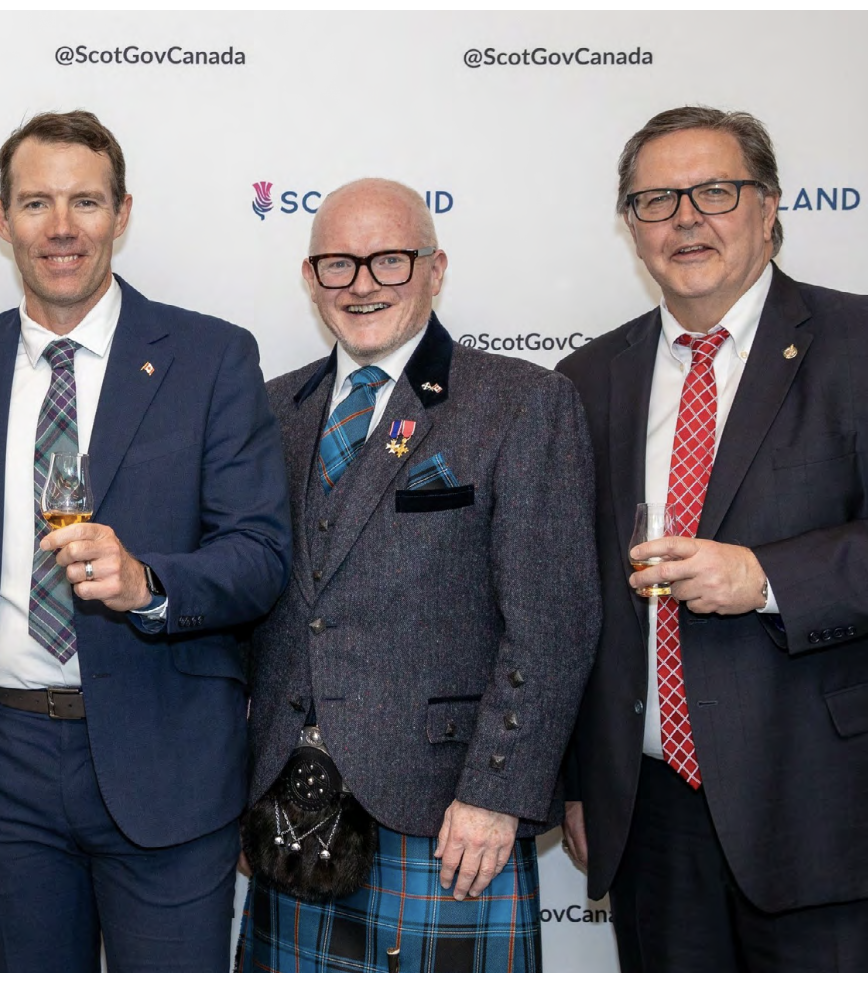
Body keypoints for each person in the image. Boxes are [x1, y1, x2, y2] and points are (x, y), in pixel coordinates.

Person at [0, 109, 291, 972]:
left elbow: (261, 556)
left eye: (85, 202)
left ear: (121, 214)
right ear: (2, 221)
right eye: (36, 203)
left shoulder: (211, 357)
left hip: (166, 761)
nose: (62, 227)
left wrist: (149, 582)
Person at [556, 106, 868, 972]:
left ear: (770, 205)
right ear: (629, 227)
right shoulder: (586, 378)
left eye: (714, 191)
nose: (685, 219)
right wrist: (574, 780)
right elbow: (565, 597)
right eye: (655, 201)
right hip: (650, 814)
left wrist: (766, 577)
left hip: (824, 802)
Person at [237, 179, 599, 973]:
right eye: (338, 263)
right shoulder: (268, 412)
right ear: (309, 278)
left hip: (447, 813)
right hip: (290, 814)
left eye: (390, 260)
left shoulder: (522, 404)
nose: (362, 283)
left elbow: (553, 624)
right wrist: (246, 791)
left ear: (436, 270)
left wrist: (498, 794)